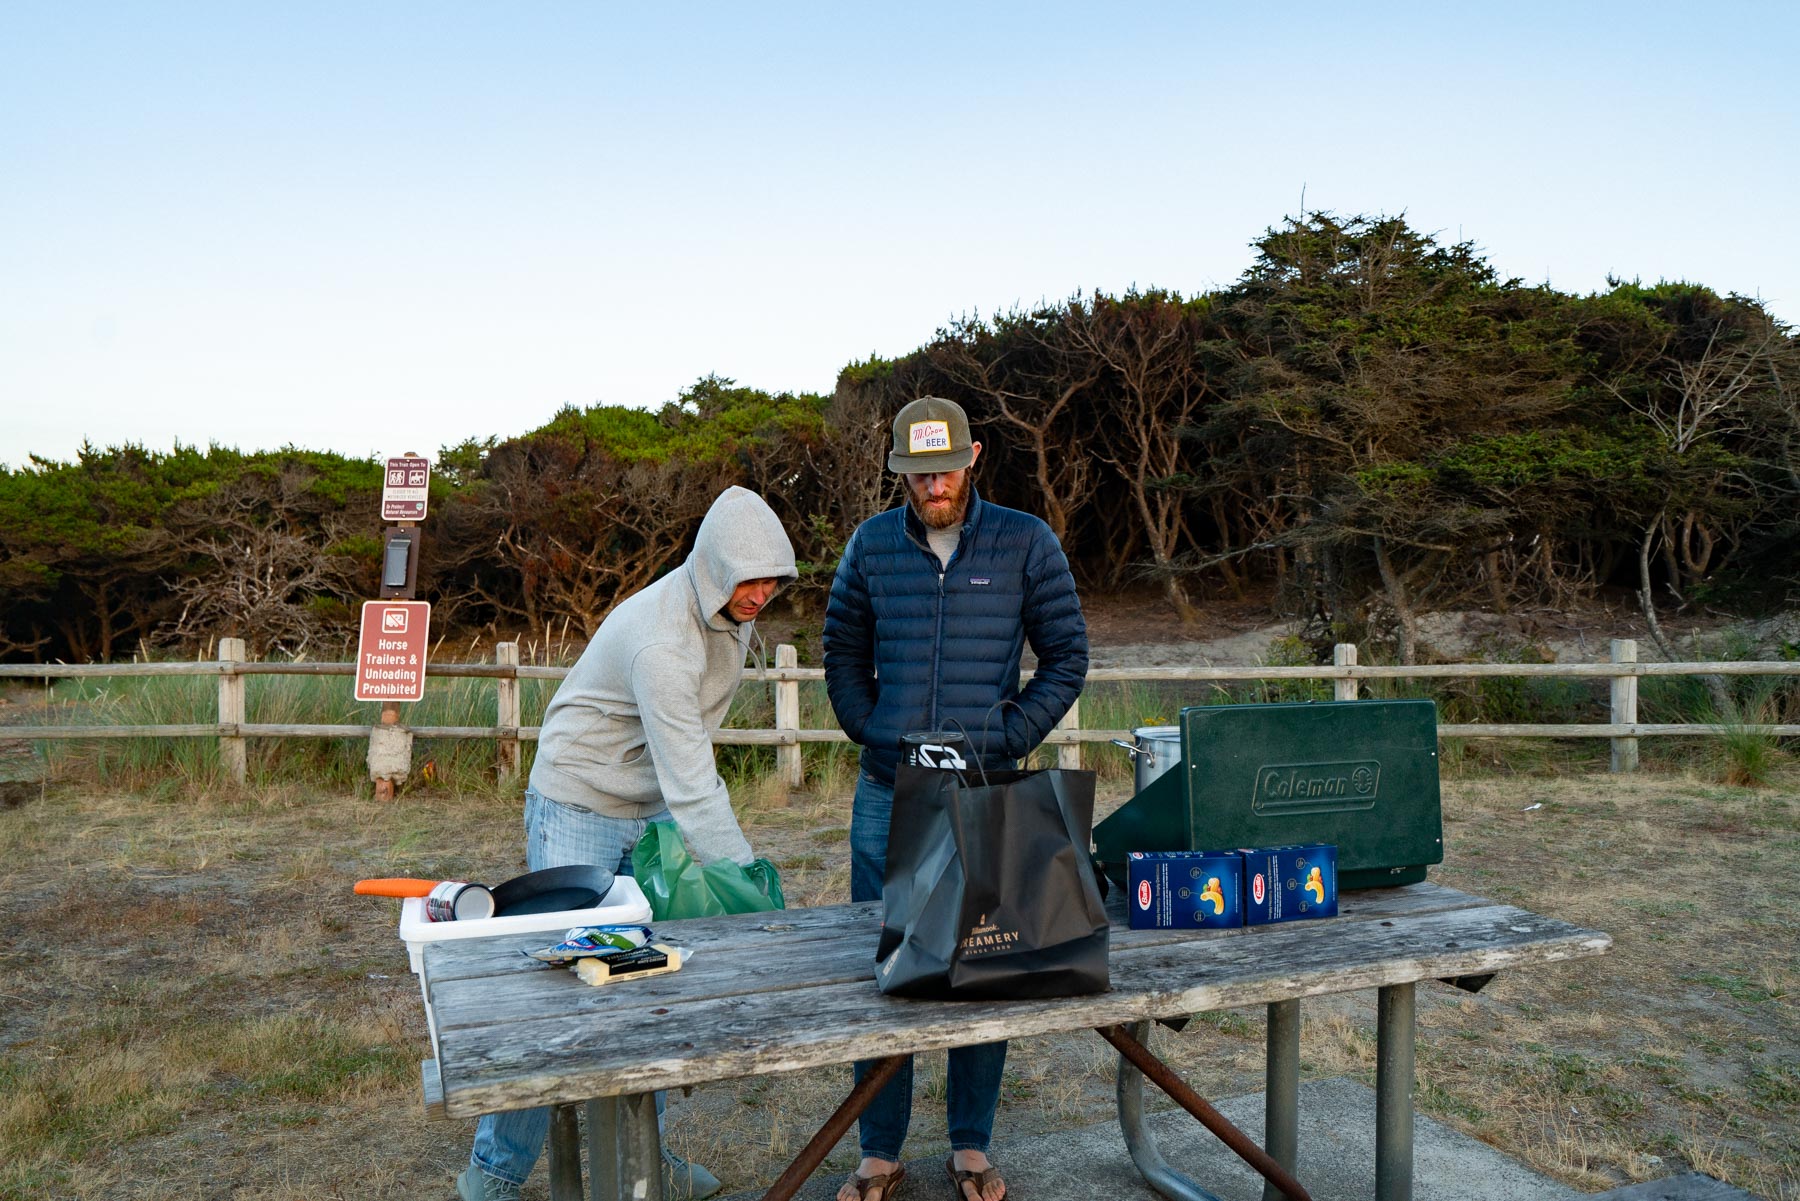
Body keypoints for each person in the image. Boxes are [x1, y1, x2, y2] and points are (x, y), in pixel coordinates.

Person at [458, 485, 797, 1201]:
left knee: (650, 983)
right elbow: (696, 787)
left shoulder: (729, 616)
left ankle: (650, 1163)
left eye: (773, 577)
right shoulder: (661, 642)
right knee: (560, 994)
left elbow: (685, 760)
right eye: (749, 576)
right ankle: (492, 1175)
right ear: (712, 568)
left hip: (648, 809)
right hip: (578, 802)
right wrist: (751, 886)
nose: (762, 592)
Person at [822, 396, 1089, 1201]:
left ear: (973, 458)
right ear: (899, 469)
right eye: (915, 470)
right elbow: (841, 646)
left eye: (943, 467)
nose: (931, 484)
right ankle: (878, 1150)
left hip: (984, 792)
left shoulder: (1025, 541)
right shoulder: (871, 545)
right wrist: (871, 725)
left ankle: (971, 1144)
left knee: (986, 966)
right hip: (887, 792)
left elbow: (1068, 654)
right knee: (890, 965)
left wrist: (1013, 733)